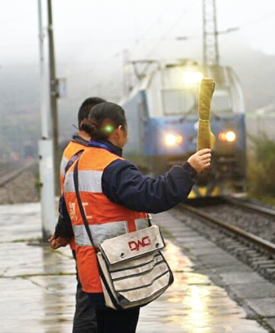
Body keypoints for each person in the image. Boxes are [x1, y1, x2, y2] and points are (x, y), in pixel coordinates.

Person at [63, 101, 212, 333]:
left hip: (90, 275)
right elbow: (152, 196)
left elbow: (68, 209)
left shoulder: (74, 166)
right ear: (120, 131)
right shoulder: (113, 168)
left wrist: (60, 234)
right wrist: (189, 169)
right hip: (119, 272)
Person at [49, 96, 105, 333]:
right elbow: (70, 200)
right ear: (85, 122)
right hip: (86, 242)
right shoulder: (79, 155)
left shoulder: (78, 150)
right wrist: (62, 232)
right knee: (88, 305)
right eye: (102, 121)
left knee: (93, 304)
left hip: (87, 238)